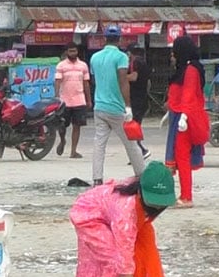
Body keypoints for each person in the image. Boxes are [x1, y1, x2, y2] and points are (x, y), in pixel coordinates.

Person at [70, 161, 176, 277]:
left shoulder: (139, 201)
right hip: (90, 216)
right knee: (113, 262)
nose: (158, 209)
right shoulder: (125, 213)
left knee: (142, 255)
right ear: (141, 192)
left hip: (116, 213)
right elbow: (124, 267)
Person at [88, 25, 145, 184]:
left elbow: (94, 80)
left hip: (99, 106)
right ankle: (141, 175)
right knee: (131, 144)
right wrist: (128, 107)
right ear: (119, 39)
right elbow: (123, 82)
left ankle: (97, 179)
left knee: (99, 144)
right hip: (116, 107)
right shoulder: (121, 57)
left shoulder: (94, 58)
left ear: (105, 38)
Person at [164, 36, 209, 209]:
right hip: (180, 115)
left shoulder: (190, 70)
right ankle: (184, 195)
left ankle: (186, 196)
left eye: (174, 51)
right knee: (180, 156)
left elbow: (189, 94)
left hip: (186, 118)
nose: (172, 55)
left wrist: (183, 117)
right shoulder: (185, 69)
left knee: (182, 157)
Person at [55, 43, 91, 159]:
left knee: (77, 126)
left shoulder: (83, 66)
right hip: (64, 101)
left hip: (79, 100)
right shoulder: (61, 65)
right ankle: (62, 140)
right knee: (62, 126)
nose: (73, 53)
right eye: (70, 51)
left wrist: (88, 100)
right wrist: (56, 97)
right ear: (66, 52)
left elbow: (86, 84)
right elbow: (57, 81)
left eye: (74, 51)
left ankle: (73, 151)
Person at [126, 45, 153, 160]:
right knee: (135, 126)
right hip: (142, 98)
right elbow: (148, 83)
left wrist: (120, 77)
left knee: (131, 127)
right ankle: (137, 152)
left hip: (135, 99)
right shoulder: (145, 63)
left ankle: (140, 151)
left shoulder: (135, 62)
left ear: (130, 53)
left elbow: (133, 77)